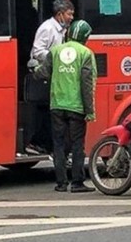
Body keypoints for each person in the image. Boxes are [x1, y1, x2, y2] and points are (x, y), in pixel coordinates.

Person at [31, 20, 96, 193]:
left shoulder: (55, 51)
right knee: (77, 145)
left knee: (58, 144)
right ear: (85, 37)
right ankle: (77, 183)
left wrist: (34, 69)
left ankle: (61, 183)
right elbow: (87, 85)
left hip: (57, 105)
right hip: (76, 107)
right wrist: (90, 111)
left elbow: (42, 73)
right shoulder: (86, 54)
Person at [26, 0, 76, 155]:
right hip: (45, 76)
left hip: (55, 75)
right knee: (49, 112)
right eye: (69, 14)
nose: (71, 17)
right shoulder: (47, 28)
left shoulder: (61, 29)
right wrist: (56, 56)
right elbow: (37, 51)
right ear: (60, 14)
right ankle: (38, 143)